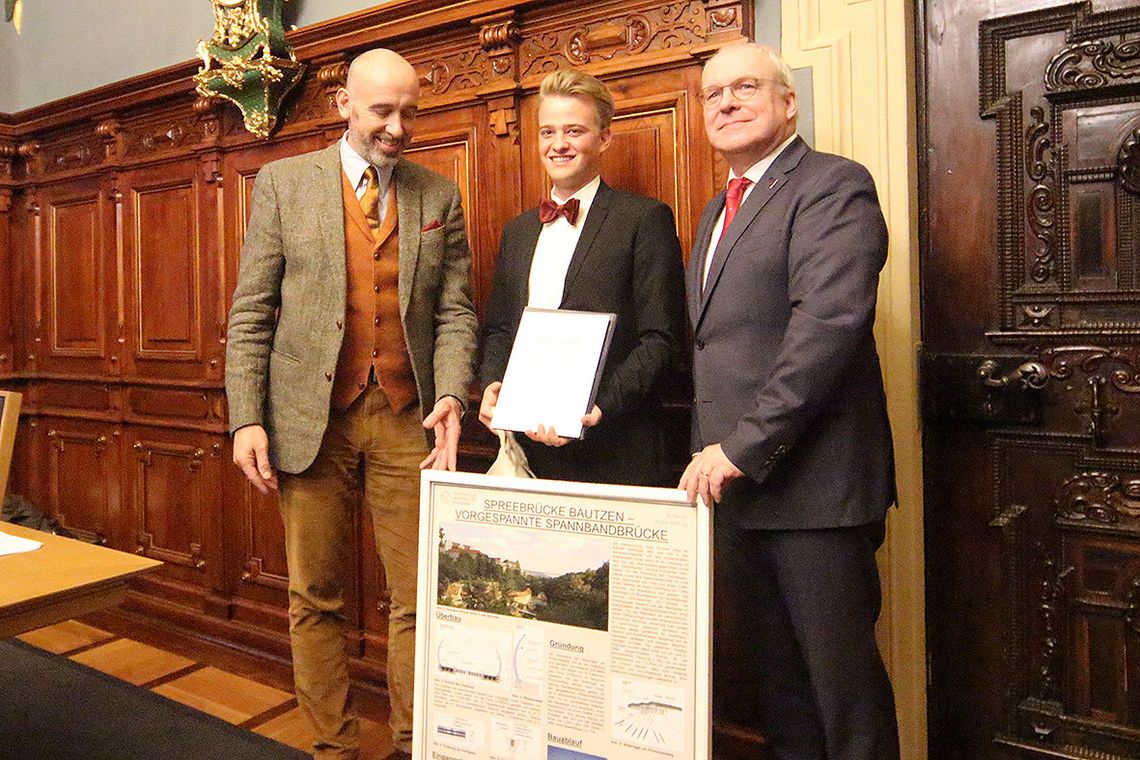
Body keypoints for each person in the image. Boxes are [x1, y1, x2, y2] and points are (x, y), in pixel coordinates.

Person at [225, 48, 478, 760]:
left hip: (407, 419)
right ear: (344, 104)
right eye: (382, 111)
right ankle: (333, 747)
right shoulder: (283, 184)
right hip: (310, 421)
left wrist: (451, 394)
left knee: (421, 596)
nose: (398, 128)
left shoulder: (438, 195)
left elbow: (456, 312)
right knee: (314, 595)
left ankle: (414, 743)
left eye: (410, 113)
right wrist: (246, 417)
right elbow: (252, 312)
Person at [680, 43, 899, 759]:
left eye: (746, 87)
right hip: (737, 495)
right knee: (779, 692)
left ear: (788, 102)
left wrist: (740, 448)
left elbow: (826, 330)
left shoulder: (834, 185)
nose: (727, 103)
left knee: (844, 698)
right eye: (713, 94)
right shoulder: (717, 209)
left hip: (815, 494)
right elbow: (717, 347)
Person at [478, 69, 684, 487]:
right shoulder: (517, 231)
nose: (558, 144)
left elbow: (661, 338)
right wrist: (493, 383)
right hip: (531, 451)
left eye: (573, 131)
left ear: (604, 138)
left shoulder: (644, 219)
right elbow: (500, 328)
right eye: (548, 132)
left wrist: (599, 407)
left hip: (618, 451)